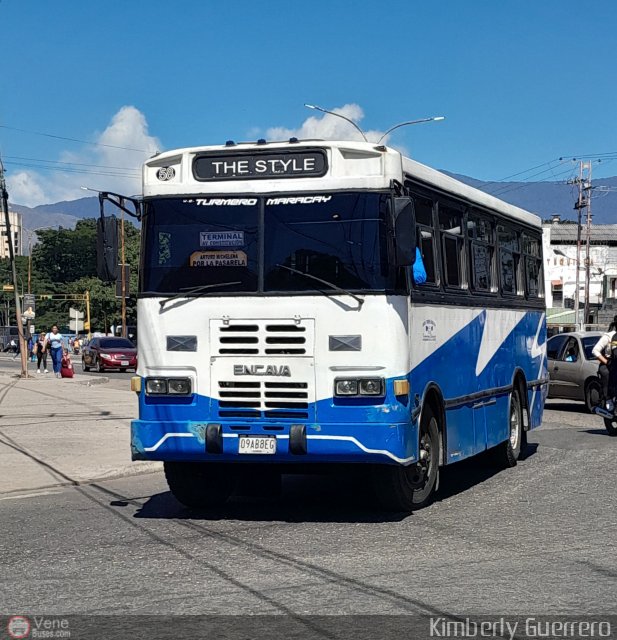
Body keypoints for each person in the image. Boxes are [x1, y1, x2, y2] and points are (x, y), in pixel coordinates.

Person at [592, 315, 617, 410]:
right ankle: (608, 398)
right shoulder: (608, 336)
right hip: (608, 363)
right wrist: (606, 361)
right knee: (606, 373)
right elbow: (595, 351)